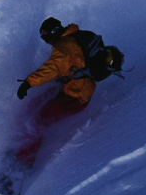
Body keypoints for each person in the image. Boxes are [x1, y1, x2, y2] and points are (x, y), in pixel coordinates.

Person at [15, 17, 96, 165]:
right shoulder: (70, 39)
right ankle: (18, 141)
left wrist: (29, 82)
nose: (46, 41)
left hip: (75, 97)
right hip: (69, 88)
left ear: (53, 32)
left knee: (38, 121)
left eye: (45, 36)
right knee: (32, 104)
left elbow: (51, 68)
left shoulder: (64, 47)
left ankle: (22, 164)